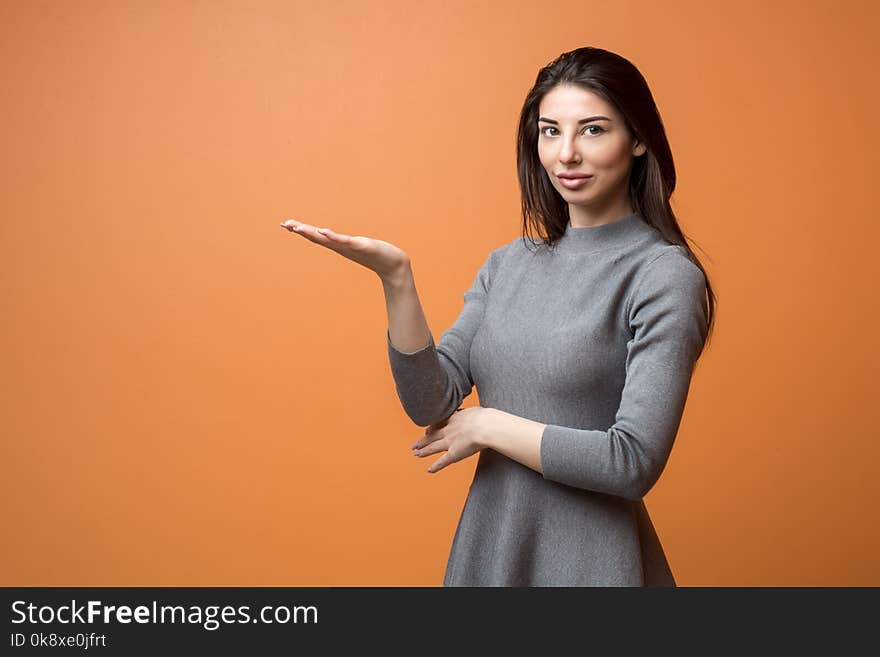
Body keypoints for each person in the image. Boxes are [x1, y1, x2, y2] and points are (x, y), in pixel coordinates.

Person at [280, 46, 717, 586]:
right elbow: (431, 402)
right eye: (550, 131)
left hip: (593, 567)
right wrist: (396, 280)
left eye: (594, 130)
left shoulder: (662, 275)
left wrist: (489, 424)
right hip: (491, 553)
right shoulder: (507, 265)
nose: (567, 154)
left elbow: (630, 463)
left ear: (639, 139)